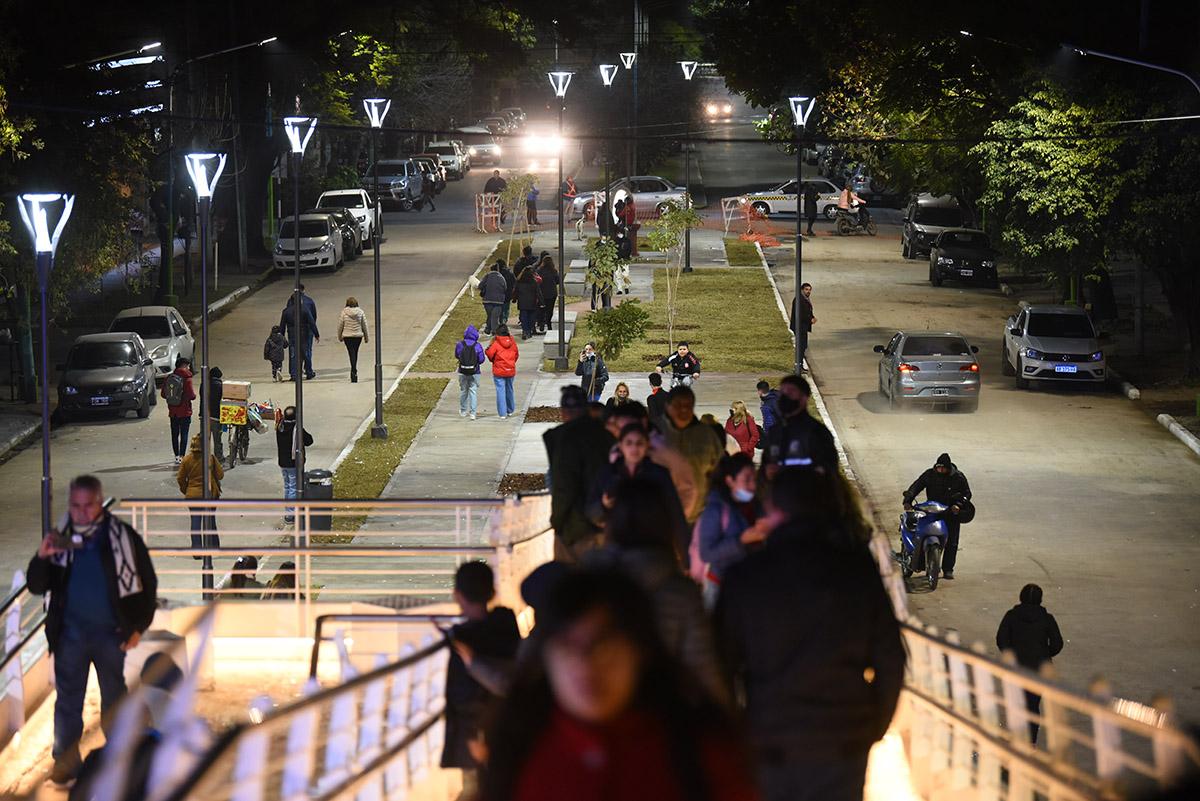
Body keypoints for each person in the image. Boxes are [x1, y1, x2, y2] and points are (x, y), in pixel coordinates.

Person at [478, 569, 759, 801]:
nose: (585, 663)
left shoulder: (698, 750)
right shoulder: (517, 746)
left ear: (640, 649)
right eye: (566, 646)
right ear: (546, 657)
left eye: (603, 644)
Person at [716, 468, 905, 801]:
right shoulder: (856, 571)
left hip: (771, 737)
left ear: (774, 511)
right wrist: (874, 726)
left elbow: (719, 666)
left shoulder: (745, 576)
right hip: (843, 738)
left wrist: (738, 729)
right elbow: (891, 657)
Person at [27, 475, 158, 785]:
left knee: (114, 699)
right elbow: (36, 585)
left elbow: (147, 584)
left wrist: (138, 627)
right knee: (68, 701)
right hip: (70, 636)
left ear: (100, 503)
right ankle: (66, 763)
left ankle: (119, 757)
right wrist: (42, 557)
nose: (82, 513)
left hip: (111, 635)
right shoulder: (59, 540)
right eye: (76, 506)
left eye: (88, 505)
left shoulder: (121, 537)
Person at [588, 478, 728, 706]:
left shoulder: (587, 582)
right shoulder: (680, 594)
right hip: (658, 717)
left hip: (598, 714)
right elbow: (704, 674)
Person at [443, 562, 521, 798]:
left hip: (478, 734)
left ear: (457, 595)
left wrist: (470, 737)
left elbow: (463, 696)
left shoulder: (463, 641)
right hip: (509, 724)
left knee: (478, 788)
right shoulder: (507, 624)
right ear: (492, 593)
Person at [587, 423, 688, 554]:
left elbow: (675, 514)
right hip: (617, 548)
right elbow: (591, 511)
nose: (634, 448)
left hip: (652, 548)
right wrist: (603, 505)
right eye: (629, 443)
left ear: (647, 445)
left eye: (639, 443)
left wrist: (685, 557)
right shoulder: (608, 473)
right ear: (621, 446)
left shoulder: (659, 475)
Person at [547, 385, 614, 562]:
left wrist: (557, 521)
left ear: (563, 412)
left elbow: (564, 487)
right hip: (605, 522)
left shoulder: (565, 439)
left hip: (575, 527)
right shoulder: (606, 437)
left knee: (571, 582)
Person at [996, 583, 1064, 744]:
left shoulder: (1011, 616)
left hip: (1016, 668)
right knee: (1032, 706)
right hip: (1038, 669)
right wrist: (1045, 654)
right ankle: (1030, 741)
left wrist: (1010, 654)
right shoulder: (1047, 619)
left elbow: (1001, 639)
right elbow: (1057, 643)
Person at [696, 454, 768, 603]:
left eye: (754, 480)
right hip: (721, 586)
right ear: (730, 480)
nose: (753, 486)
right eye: (747, 480)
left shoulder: (756, 506)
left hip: (751, 583)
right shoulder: (715, 510)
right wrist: (740, 541)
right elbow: (706, 553)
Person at [659, 386, 725, 523]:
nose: (683, 409)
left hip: (698, 513)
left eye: (688, 405)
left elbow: (719, 471)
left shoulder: (707, 436)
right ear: (667, 406)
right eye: (678, 405)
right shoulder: (655, 432)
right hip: (660, 515)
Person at [902, 452, 972, 579]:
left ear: (948, 468)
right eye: (938, 468)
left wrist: (959, 504)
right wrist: (908, 500)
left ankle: (948, 569)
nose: (940, 470)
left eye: (943, 468)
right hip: (932, 511)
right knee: (921, 534)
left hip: (950, 512)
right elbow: (916, 486)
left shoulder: (958, 477)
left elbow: (967, 493)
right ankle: (918, 562)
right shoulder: (929, 475)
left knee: (952, 542)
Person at [762, 374, 838, 477]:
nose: (784, 397)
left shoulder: (818, 433)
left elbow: (829, 474)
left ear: (804, 398)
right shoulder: (774, 432)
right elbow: (765, 468)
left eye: (790, 393)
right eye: (782, 393)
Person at [177, 432, 223, 557]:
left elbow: (180, 478)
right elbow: (220, 475)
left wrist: (187, 490)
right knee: (210, 521)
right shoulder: (210, 458)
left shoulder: (186, 459)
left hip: (193, 495)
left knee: (195, 522)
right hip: (209, 495)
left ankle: (197, 551)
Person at [276, 406, 313, 525]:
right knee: (293, 487)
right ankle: (290, 514)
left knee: (287, 487)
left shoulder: (280, 427)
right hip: (293, 463)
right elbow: (309, 441)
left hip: (283, 463)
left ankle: (289, 510)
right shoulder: (297, 429)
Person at [162, 355, 196, 465]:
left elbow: (163, 394)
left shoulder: (169, 378)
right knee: (184, 434)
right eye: (188, 366)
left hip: (173, 411)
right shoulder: (187, 378)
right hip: (185, 411)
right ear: (185, 365)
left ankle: (176, 456)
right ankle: (182, 456)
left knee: (174, 434)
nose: (189, 368)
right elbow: (191, 395)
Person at [280, 292, 320, 381]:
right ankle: (309, 372)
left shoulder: (286, 311)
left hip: (292, 335)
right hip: (304, 334)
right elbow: (311, 322)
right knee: (306, 353)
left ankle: (294, 374)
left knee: (293, 354)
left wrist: (281, 338)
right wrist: (316, 334)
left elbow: (282, 326)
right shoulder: (305, 309)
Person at [485, 324, 519, 419]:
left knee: (500, 391)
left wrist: (494, 361)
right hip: (510, 369)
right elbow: (516, 354)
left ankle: (502, 413)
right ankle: (510, 410)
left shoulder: (495, 343)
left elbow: (490, 354)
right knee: (510, 389)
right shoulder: (512, 342)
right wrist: (511, 363)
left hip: (499, 370)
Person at [455, 325, 486, 420]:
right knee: (473, 391)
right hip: (475, 371)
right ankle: (473, 413)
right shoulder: (477, 346)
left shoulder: (460, 344)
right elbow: (481, 359)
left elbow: (457, 355)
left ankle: (463, 410)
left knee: (464, 390)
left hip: (462, 370)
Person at [336, 297, 369, 383]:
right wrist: (366, 337)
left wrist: (339, 336)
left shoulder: (344, 313)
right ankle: (354, 370)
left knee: (351, 353)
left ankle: (353, 370)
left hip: (347, 336)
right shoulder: (361, 312)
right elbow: (364, 325)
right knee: (355, 352)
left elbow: (340, 325)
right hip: (358, 336)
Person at [790, 283, 814, 371]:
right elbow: (801, 314)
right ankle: (798, 365)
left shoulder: (805, 299)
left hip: (803, 327)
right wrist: (810, 319)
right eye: (806, 289)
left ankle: (800, 365)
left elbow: (808, 311)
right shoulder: (799, 300)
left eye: (809, 290)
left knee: (803, 346)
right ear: (802, 290)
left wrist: (812, 317)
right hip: (799, 327)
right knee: (801, 346)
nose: (808, 291)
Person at [514, 263, 543, 340]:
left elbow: (515, 291)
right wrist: (541, 302)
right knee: (531, 318)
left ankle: (525, 331)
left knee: (524, 317)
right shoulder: (534, 282)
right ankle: (529, 330)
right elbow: (538, 292)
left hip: (522, 302)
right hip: (532, 302)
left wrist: (514, 299)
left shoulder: (519, 282)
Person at [479, 262, 508, 336]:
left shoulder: (487, 276)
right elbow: (505, 288)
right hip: (499, 301)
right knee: (494, 317)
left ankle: (490, 329)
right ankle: (493, 331)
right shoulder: (501, 277)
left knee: (490, 315)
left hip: (487, 300)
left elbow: (480, 286)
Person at [204, 365, 225, 463]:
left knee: (204, 439)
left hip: (204, 416)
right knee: (217, 440)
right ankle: (218, 458)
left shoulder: (203, 384)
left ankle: (204, 458)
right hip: (216, 416)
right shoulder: (220, 385)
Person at [536, 255, 559, 334]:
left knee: (542, 309)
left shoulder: (539, 270)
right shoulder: (553, 271)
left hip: (542, 293)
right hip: (552, 293)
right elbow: (558, 281)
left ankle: (541, 322)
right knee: (550, 309)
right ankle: (549, 324)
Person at [498, 259, 517, 326]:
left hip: (499, 294)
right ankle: (504, 320)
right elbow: (515, 283)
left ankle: (501, 321)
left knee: (499, 309)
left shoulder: (498, 274)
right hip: (508, 294)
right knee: (506, 309)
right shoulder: (510, 273)